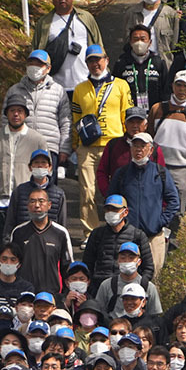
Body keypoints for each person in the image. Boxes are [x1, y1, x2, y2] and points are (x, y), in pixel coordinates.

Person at [70, 44, 131, 232]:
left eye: (98, 59)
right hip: (87, 146)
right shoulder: (80, 89)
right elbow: (76, 119)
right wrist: (75, 144)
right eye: (90, 60)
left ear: (106, 60)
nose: (95, 64)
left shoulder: (121, 85)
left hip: (115, 145)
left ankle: (121, 227)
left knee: (119, 188)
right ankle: (90, 231)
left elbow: (126, 115)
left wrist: (129, 142)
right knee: (87, 191)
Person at [0, 93, 48, 257]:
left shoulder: (37, 139)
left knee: (24, 242)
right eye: (12, 111)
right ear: (7, 114)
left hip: (25, 200)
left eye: (19, 111)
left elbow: (45, 168)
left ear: (25, 114)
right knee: (1, 244)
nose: (16, 114)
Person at [106, 133, 179, 276]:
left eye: (143, 146)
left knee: (154, 278)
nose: (138, 150)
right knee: (126, 277)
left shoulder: (161, 172)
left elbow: (174, 201)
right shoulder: (121, 173)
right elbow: (111, 199)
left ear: (151, 150)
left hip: (154, 235)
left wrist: (161, 221)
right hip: (127, 237)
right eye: (135, 146)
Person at [2, 51, 72, 180]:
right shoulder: (15, 90)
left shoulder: (58, 90)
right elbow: (4, 118)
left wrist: (64, 149)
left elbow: (65, 121)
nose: (34, 67)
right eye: (31, 63)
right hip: (21, 145)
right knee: (22, 184)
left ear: (48, 68)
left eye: (39, 64)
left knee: (48, 187)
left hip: (49, 146)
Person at [149, 70, 186, 211]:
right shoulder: (157, 109)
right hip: (156, 167)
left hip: (182, 170)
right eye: (179, 85)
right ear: (172, 86)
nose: (182, 89)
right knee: (153, 208)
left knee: (177, 211)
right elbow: (148, 137)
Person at [30, 0, 104, 94]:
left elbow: (99, 46)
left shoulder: (86, 18)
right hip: (54, 87)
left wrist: (102, 76)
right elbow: (36, 53)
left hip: (87, 84)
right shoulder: (45, 23)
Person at [9, 188, 74, 293]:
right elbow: (11, 264)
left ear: (49, 205)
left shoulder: (60, 233)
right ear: (27, 206)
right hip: (24, 295)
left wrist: (65, 296)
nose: (37, 205)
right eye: (32, 201)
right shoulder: (18, 232)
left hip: (52, 295)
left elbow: (68, 268)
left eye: (41, 201)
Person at [85, 197, 155, 287]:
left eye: (115, 210)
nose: (110, 213)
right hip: (100, 285)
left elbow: (148, 267)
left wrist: (141, 285)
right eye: (108, 209)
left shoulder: (138, 235)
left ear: (125, 212)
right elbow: (87, 264)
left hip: (130, 286)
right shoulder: (97, 234)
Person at [2, 149, 68, 235]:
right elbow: (10, 222)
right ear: (30, 167)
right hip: (23, 240)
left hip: (50, 242)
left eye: (43, 163)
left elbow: (62, 225)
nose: (40, 166)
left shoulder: (58, 194)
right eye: (36, 163)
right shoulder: (20, 191)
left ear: (50, 167)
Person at [114, 25, 170, 112]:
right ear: (130, 42)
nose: (139, 43)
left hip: (154, 112)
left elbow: (166, 88)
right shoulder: (121, 62)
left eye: (143, 39)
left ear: (150, 42)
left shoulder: (158, 62)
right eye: (135, 39)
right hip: (129, 113)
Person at [124, 0, 181, 69]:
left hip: (163, 69)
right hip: (137, 68)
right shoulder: (132, 13)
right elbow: (127, 42)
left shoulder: (171, 14)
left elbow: (174, 45)